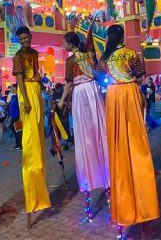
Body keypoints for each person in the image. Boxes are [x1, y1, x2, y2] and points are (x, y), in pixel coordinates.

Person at [100, 24, 159, 234]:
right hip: (129, 94)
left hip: (114, 96)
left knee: (118, 146)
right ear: (123, 36)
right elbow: (141, 76)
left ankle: (125, 202)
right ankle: (142, 202)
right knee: (136, 142)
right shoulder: (131, 54)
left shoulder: (105, 57)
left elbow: (100, 75)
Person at [56, 31, 110, 213]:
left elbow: (69, 83)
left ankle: (91, 178)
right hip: (93, 92)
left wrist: (62, 100)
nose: (62, 43)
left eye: (63, 41)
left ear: (69, 43)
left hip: (80, 94)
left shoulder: (71, 61)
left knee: (85, 136)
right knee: (99, 131)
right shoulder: (89, 55)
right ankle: (107, 175)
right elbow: (98, 72)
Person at [12, 27, 51, 223]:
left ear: (31, 37)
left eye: (26, 37)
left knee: (39, 136)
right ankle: (32, 192)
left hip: (36, 90)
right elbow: (20, 78)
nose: (24, 41)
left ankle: (40, 191)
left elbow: (36, 73)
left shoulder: (35, 53)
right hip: (26, 92)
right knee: (30, 139)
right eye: (21, 39)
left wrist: (44, 89)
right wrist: (26, 100)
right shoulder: (18, 56)